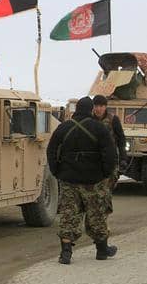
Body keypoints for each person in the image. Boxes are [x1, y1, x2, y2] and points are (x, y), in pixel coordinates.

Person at [47, 96, 118, 264]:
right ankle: (102, 250)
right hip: (94, 180)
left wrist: (57, 171)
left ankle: (66, 253)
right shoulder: (99, 128)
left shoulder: (63, 127)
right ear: (91, 109)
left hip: (68, 180)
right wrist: (105, 173)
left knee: (69, 215)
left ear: (76, 109)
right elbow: (110, 154)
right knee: (97, 214)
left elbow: (51, 150)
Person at [91, 94, 127, 187]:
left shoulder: (113, 119)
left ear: (105, 107)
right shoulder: (89, 119)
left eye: (101, 106)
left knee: (109, 184)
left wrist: (123, 158)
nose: (98, 109)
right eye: (96, 106)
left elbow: (121, 138)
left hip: (110, 156)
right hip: (93, 157)